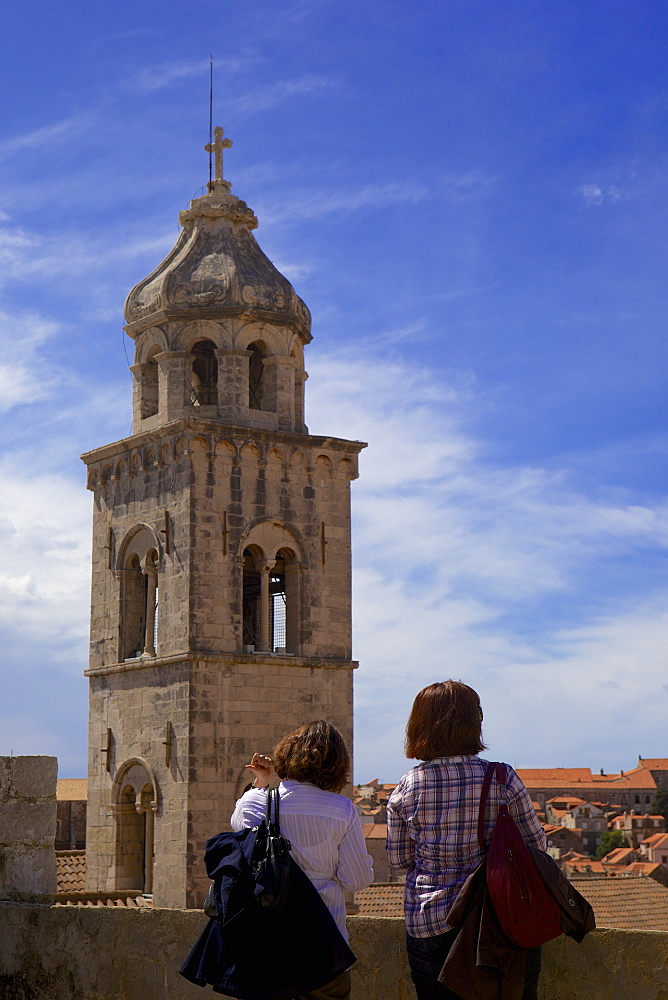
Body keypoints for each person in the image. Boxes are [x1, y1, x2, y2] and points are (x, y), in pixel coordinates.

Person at [386, 681, 547, 1000]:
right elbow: (536, 848)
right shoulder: (503, 779)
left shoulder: (408, 786)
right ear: (476, 722)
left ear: (418, 726)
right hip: (500, 919)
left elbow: (399, 861)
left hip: (430, 922)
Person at [231, 720, 374, 1000]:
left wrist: (262, 782)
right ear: (337, 765)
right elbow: (355, 879)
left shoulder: (253, 803)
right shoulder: (341, 808)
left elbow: (242, 832)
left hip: (264, 943)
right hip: (324, 946)